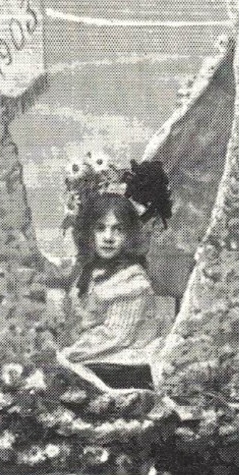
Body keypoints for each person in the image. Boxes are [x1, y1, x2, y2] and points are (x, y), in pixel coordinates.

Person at [55, 158, 173, 392]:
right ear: (89, 233)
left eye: (117, 230)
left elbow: (115, 336)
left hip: (122, 363)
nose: (108, 237)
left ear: (129, 235)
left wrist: (67, 352)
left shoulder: (132, 281)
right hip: (96, 352)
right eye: (100, 228)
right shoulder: (92, 271)